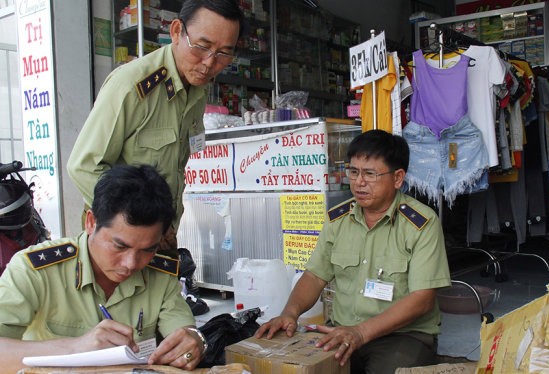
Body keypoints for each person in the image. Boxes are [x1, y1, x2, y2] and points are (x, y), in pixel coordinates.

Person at [255, 130, 452, 373]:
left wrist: (361, 332)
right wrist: (290, 313)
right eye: (354, 172)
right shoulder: (338, 219)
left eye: (370, 174)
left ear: (398, 178)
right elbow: (315, 276)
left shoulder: (421, 223)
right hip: (342, 330)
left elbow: (422, 300)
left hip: (402, 335)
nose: (359, 182)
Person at [67, 0, 244, 257]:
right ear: (176, 32)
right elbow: (83, 166)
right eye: (202, 47)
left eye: (223, 53)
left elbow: (176, 166)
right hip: (118, 246)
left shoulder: (197, 90)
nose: (209, 63)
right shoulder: (131, 85)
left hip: (161, 240)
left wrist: (165, 229)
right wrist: (140, 224)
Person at [0, 165, 207, 373]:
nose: (131, 263)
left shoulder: (159, 274)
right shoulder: (35, 270)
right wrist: (76, 347)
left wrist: (194, 341)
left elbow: (184, 332)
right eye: (120, 246)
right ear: (91, 222)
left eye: (147, 250)